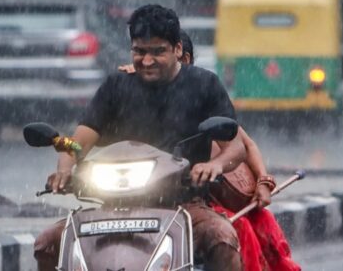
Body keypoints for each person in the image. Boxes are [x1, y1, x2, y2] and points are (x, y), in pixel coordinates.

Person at [34, 4, 247, 270]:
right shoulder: (116, 85)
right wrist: (65, 168)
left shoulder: (205, 84)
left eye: (158, 52)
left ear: (178, 49)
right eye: (140, 51)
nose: (147, 61)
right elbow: (76, 144)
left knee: (222, 238)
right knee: (47, 242)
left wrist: (214, 165)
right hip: (110, 206)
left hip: (182, 205)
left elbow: (236, 148)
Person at [121, 30, 300, 271]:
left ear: (183, 60)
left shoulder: (201, 94)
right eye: (143, 55)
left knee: (256, 222)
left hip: (201, 197)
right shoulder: (132, 92)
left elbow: (244, 144)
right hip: (152, 198)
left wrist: (263, 182)